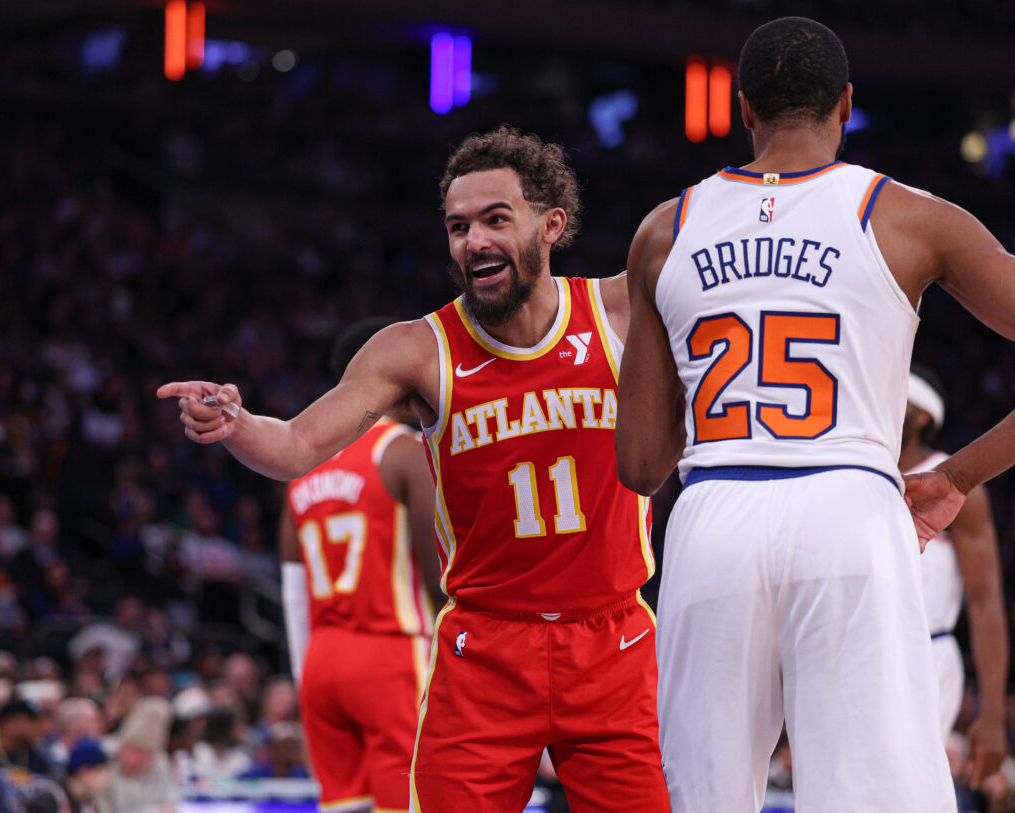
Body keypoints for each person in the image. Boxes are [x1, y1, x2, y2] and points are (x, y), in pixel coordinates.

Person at [615, 15, 1015, 813]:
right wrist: (954, 477)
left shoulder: (662, 231)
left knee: (700, 799)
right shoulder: (907, 215)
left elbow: (639, 465)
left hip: (712, 518)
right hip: (849, 504)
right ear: (847, 104)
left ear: (744, 110)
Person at [158, 126, 669, 811]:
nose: (474, 241)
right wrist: (236, 424)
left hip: (613, 637)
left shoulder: (617, 310)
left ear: (552, 225)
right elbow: (297, 446)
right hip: (486, 645)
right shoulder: (415, 350)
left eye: (495, 219)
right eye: (458, 226)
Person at [279, 318, 441, 813]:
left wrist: (304, 675)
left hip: (321, 661)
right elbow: (439, 567)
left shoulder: (302, 472)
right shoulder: (405, 454)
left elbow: (293, 589)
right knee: (410, 803)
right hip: (391, 654)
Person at [902, 366, 1008, 772]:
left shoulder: (957, 481)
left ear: (924, 415)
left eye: (900, 394)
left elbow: (985, 602)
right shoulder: (858, 467)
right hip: (852, 646)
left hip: (927, 651)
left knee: (904, 789)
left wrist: (993, 713)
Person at [94, 697, 177, 813]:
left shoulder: (159, 764)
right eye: (135, 751)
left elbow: (171, 804)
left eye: (146, 755)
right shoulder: (101, 758)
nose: (138, 762)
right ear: (122, 745)